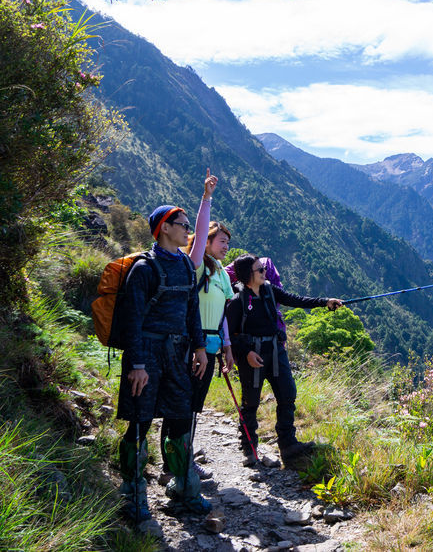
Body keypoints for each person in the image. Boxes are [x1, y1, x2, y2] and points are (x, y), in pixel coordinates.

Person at [115, 195, 210, 522]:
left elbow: (191, 310)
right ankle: (133, 493)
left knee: (181, 418)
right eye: (184, 226)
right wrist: (138, 366)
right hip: (147, 355)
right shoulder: (144, 268)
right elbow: (133, 320)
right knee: (140, 422)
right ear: (164, 228)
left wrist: (199, 348)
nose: (188, 231)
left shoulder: (185, 264)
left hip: (177, 354)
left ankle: (184, 488)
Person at [225, 254, 342, 468]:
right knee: (250, 402)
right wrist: (247, 353)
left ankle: (288, 445)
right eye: (259, 270)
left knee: (287, 395)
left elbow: (295, 299)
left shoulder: (270, 290)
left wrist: (325, 302)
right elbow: (229, 335)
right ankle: (249, 449)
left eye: (263, 269)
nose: (264, 272)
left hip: (275, 350)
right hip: (252, 356)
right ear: (246, 275)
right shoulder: (237, 302)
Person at [159, 174, 234, 483]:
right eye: (222, 241)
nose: (226, 246)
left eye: (228, 242)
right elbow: (199, 235)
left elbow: (223, 314)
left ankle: (183, 459)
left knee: (192, 407)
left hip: (211, 345)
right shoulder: (198, 264)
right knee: (180, 405)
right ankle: (173, 464)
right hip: (191, 344)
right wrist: (207, 198)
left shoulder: (222, 274)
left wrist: (227, 347)